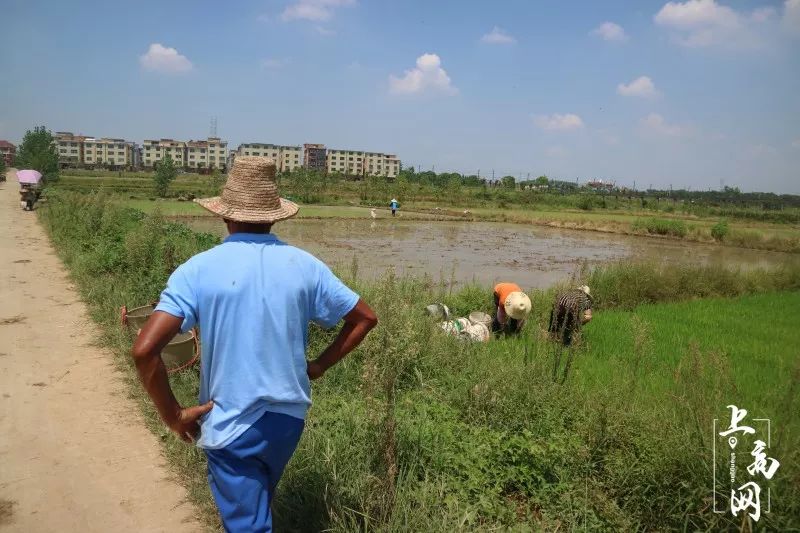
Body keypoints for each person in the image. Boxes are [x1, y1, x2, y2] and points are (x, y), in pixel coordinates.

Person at [131, 157, 378, 532]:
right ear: (274, 216)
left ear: (224, 215)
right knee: (258, 502)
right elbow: (365, 318)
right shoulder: (304, 265)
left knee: (247, 523)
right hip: (288, 421)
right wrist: (319, 365)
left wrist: (174, 416)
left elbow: (144, 350)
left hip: (232, 422)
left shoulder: (197, 269)